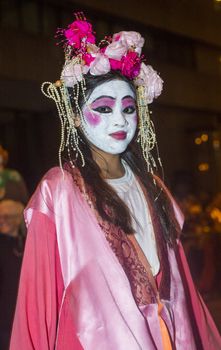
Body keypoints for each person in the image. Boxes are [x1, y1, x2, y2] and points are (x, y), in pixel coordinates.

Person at [10, 13, 221, 350]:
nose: (120, 120)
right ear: (77, 117)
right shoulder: (58, 192)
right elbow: (37, 303)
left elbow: (183, 288)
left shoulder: (153, 187)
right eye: (104, 109)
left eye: (128, 107)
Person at [0, 199, 25, 350]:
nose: (2, 220)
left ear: (19, 218)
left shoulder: (28, 243)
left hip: (23, 317)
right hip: (4, 321)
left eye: (7, 216)